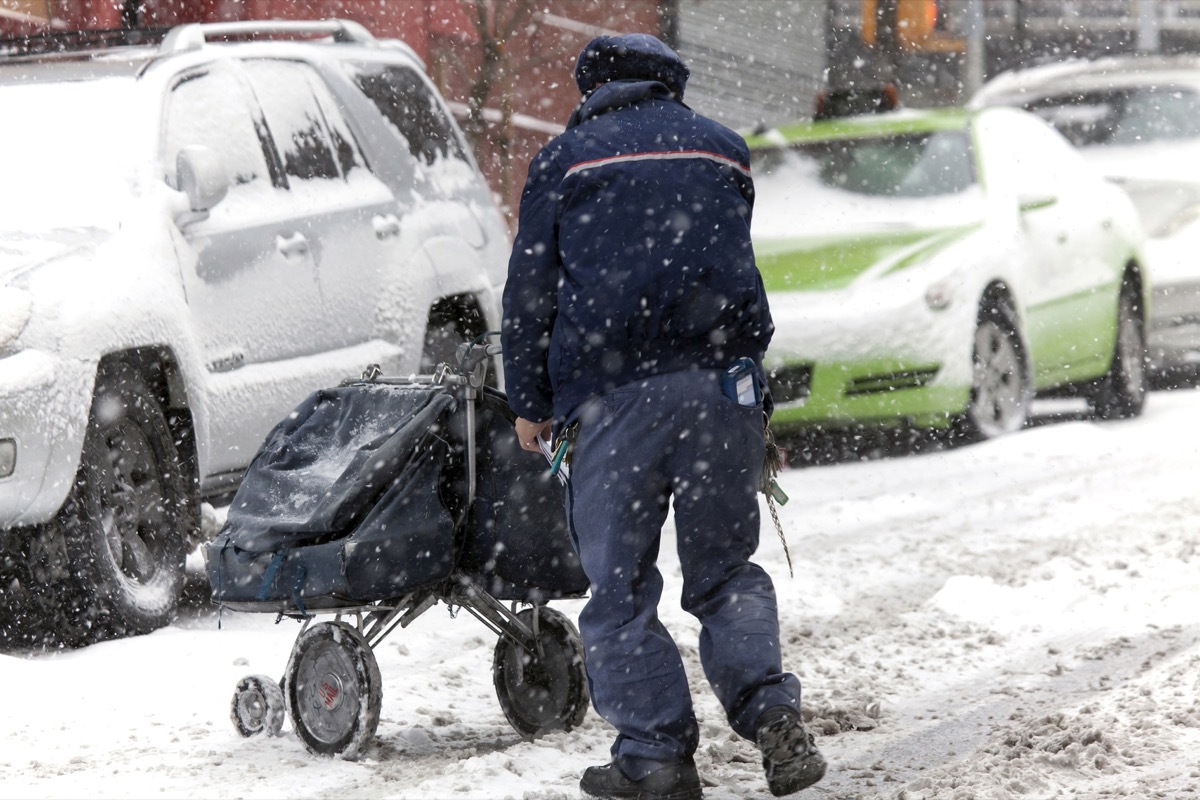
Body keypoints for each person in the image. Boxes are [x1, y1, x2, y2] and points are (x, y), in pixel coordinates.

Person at [501, 33, 827, 800]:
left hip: (613, 399)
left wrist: (528, 401)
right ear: (669, 84)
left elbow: (529, 295)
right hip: (721, 390)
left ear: (593, 89)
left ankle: (654, 756)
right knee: (724, 572)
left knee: (619, 588)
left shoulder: (567, 159)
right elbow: (739, 279)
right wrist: (754, 400)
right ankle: (771, 713)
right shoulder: (723, 152)